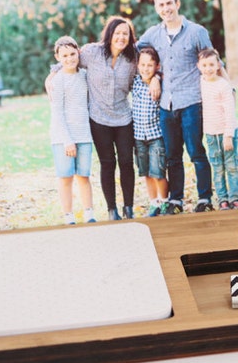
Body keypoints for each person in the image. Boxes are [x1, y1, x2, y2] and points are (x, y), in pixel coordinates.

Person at [47, 16, 160, 220]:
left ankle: (128, 208)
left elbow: (148, 69)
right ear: (109, 34)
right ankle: (111, 210)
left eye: (125, 33)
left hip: (124, 118)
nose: (121, 37)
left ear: (130, 37)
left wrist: (157, 79)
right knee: (108, 163)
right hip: (99, 119)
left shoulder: (133, 57)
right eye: (117, 33)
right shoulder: (92, 52)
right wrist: (53, 73)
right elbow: (69, 60)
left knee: (126, 162)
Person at [136, 0, 214, 214]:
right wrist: (155, 77)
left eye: (169, 3)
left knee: (196, 151)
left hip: (191, 101)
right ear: (155, 8)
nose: (165, 9)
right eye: (160, 5)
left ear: (177, 4)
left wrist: (228, 90)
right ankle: (176, 200)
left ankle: (204, 198)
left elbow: (213, 61)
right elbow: (131, 53)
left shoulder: (196, 32)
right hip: (165, 106)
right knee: (172, 156)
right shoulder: (152, 34)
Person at [48, 36, 96, 225]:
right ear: (57, 57)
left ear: (78, 53)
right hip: (63, 137)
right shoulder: (57, 81)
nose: (69, 59)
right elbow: (57, 112)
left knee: (83, 175)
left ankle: (89, 213)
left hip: (84, 134)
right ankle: (68, 215)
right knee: (66, 176)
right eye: (64, 55)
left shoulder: (84, 75)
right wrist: (67, 140)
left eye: (72, 54)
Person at [198, 48, 238, 210]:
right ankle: (222, 198)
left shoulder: (223, 85)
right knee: (217, 168)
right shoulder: (200, 83)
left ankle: (234, 197)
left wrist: (229, 135)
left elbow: (230, 111)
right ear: (198, 66)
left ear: (218, 65)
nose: (208, 68)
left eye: (211, 64)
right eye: (204, 65)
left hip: (227, 133)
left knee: (231, 166)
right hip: (211, 134)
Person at [133, 46, 170, 216]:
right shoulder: (135, 81)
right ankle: (153, 203)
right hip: (139, 136)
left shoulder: (161, 82)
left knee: (158, 172)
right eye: (142, 65)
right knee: (146, 172)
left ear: (157, 66)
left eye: (150, 65)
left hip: (156, 136)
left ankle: (164, 202)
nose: (145, 68)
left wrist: (157, 77)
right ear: (137, 65)